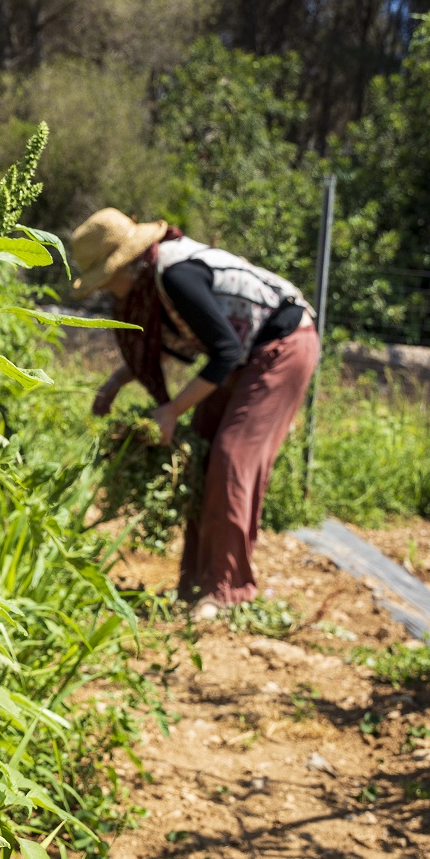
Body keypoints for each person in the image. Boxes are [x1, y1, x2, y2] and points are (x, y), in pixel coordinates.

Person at [73, 207, 319, 620]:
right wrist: (116, 382)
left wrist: (170, 411)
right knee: (203, 454)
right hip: (242, 356)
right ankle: (195, 585)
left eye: (106, 276)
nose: (106, 289)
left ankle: (228, 590)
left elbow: (224, 351)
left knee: (231, 457)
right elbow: (181, 344)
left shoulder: (176, 276)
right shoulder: (152, 281)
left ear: (126, 266)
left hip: (282, 346)